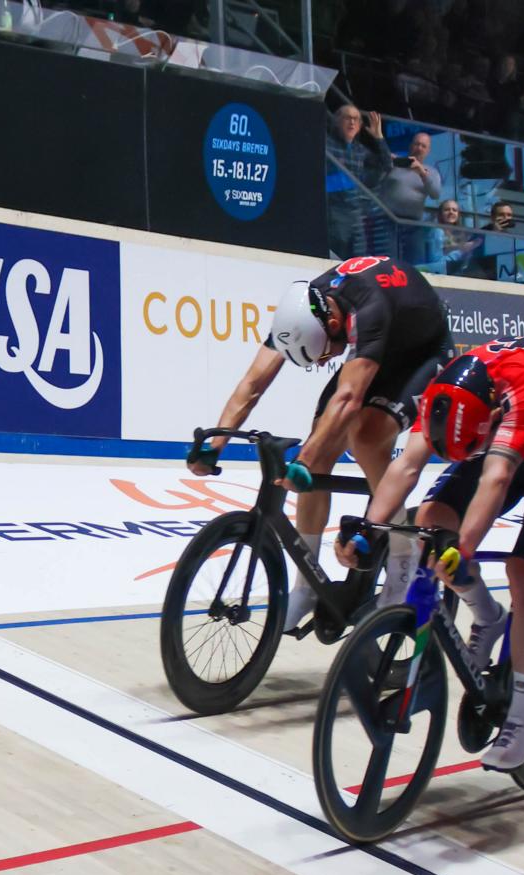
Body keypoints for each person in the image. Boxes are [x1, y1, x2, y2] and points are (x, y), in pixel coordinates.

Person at [336, 337, 524, 771]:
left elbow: (495, 479)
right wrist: (369, 528)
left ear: (494, 415)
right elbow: (405, 466)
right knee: (431, 519)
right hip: (495, 439)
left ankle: (521, 719)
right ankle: (487, 615)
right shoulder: (449, 391)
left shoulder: (523, 390)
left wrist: (463, 549)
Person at [188, 257, 454, 631]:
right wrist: (213, 444)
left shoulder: (368, 308)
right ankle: (306, 586)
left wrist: (303, 458)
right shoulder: (298, 314)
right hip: (374, 350)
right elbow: (252, 385)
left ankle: (402, 553)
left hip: (422, 354)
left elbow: (347, 398)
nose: (321, 363)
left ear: (333, 325)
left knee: (366, 436)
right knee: (317, 450)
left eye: (324, 354)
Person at [325, 106, 393, 259]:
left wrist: (378, 137)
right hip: (335, 210)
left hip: (356, 212)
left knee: (358, 257)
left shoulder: (359, 150)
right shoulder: (327, 145)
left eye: (356, 119)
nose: (352, 122)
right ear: (337, 122)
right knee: (338, 255)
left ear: (360, 126)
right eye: (347, 118)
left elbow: (387, 165)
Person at [378, 132, 443, 264]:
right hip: (388, 221)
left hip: (414, 226)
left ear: (428, 151)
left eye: (423, 146)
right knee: (387, 262)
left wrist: (422, 172)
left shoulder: (431, 172)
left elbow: (435, 193)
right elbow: (374, 182)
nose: (419, 148)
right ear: (410, 146)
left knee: (415, 264)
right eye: (416, 144)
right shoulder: (395, 165)